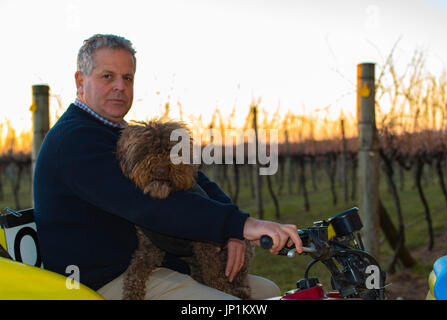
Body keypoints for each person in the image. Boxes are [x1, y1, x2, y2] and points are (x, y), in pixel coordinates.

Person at [33, 34, 302, 300]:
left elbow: (192, 177)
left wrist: (235, 229)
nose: (120, 86)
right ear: (81, 81)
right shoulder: (75, 139)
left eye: (127, 78)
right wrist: (239, 225)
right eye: (107, 76)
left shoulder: (117, 131)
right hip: (100, 282)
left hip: (157, 265)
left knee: (270, 293)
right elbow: (149, 202)